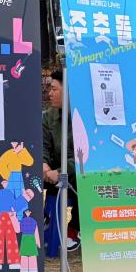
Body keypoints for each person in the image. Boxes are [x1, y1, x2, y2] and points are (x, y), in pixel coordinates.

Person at [41, 69, 80, 250]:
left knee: (83, 179)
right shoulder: (48, 116)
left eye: (54, 89)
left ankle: (75, 228)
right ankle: (40, 218)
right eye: (50, 89)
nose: (50, 93)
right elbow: (44, 145)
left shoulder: (83, 117)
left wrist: (60, 172)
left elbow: (84, 156)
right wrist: (44, 164)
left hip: (74, 171)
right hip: (52, 169)